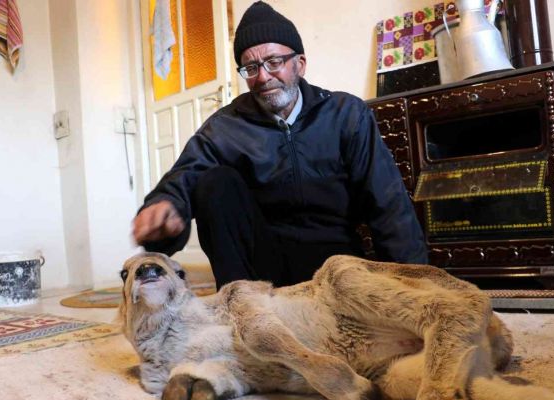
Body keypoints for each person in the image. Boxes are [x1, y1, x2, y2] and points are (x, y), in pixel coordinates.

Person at [132, 1, 427, 288]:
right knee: (214, 182)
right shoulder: (225, 126)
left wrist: (415, 283)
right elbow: (187, 174)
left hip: (337, 265)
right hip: (264, 271)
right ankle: (240, 306)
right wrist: (165, 205)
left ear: (300, 64)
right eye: (250, 68)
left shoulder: (346, 113)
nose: (263, 77)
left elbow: (388, 203)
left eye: (274, 62)